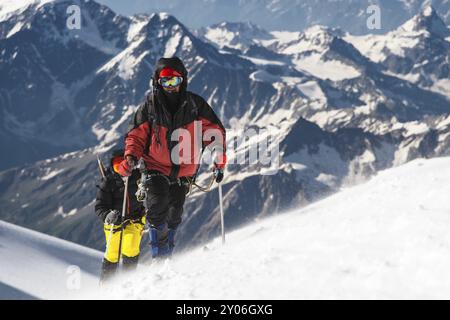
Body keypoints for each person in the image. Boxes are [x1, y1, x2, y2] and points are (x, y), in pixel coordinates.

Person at [118, 56, 227, 258]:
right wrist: (131, 157)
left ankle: (167, 249)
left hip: (184, 171)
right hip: (155, 166)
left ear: (183, 81)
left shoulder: (196, 106)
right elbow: (136, 136)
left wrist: (218, 154)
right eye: (165, 81)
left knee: (174, 211)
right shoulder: (150, 107)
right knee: (157, 203)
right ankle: (158, 254)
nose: (170, 86)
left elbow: (214, 131)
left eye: (174, 81)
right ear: (157, 82)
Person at [95, 149, 146, 282]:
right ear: (112, 165)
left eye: (124, 164)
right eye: (117, 165)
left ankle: (127, 283)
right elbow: (100, 206)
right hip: (114, 223)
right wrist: (107, 216)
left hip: (135, 219)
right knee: (112, 254)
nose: (121, 169)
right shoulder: (108, 181)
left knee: (131, 249)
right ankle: (106, 286)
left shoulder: (137, 177)